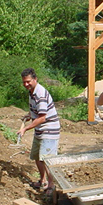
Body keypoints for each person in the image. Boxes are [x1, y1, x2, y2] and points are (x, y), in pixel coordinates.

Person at [18, 68, 60, 197]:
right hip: (40, 130)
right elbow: (38, 112)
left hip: (49, 129)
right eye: (24, 82)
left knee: (47, 160)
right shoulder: (32, 92)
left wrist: (25, 128)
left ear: (35, 79)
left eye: (28, 81)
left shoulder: (40, 94)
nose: (26, 84)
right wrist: (29, 115)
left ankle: (51, 185)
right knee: (37, 157)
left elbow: (43, 117)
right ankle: (43, 180)